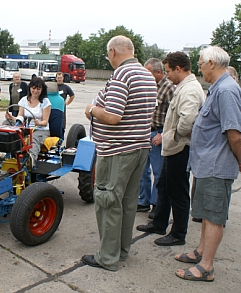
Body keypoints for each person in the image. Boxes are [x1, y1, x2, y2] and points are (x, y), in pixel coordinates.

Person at [81, 35, 156, 271]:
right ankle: (121, 251)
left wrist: (92, 109)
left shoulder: (122, 74)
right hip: (139, 148)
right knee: (127, 203)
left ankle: (107, 257)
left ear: (113, 52)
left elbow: (113, 116)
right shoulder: (146, 74)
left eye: (107, 54)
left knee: (108, 202)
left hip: (117, 151)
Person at [174, 46, 241, 282]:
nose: (199, 68)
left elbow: (235, 134)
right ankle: (201, 252)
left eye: (201, 64)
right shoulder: (217, 89)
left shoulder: (226, 91)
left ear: (212, 63)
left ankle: (206, 267)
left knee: (214, 216)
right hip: (207, 164)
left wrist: (240, 160)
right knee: (206, 213)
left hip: (217, 165)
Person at [136, 52, 205, 246]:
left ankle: (178, 233)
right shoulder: (183, 87)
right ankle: (159, 223)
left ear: (178, 69)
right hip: (173, 147)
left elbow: (188, 120)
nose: (166, 75)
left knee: (178, 192)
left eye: (168, 71)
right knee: (163, 187)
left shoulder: (190, 89)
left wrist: (171, 136)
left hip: (179, 148)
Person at [137, 58, 174, 219]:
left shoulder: (168, 88)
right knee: (141, 170)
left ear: (159, 72)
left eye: (148, 72)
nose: (145, 75)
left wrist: (163, 134)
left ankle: (156, 204)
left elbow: (174, 115)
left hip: (157, 134)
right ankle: (143, 201)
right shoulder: (147, 86)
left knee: (158, 172)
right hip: (144, 132)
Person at [5, 77, 51, 165]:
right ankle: (8, 154)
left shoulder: (45, 102)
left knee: (32, 138)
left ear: (42, 90)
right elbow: (20, 117)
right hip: (26, 128)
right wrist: (11, 118)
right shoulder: (24, 100)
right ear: (30, 88)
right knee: (6, 124)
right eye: (34, 88)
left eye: (38, 89)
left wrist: (38, 123)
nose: (36, 91)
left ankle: (31, 160)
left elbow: (45, 122)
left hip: (40, 129)